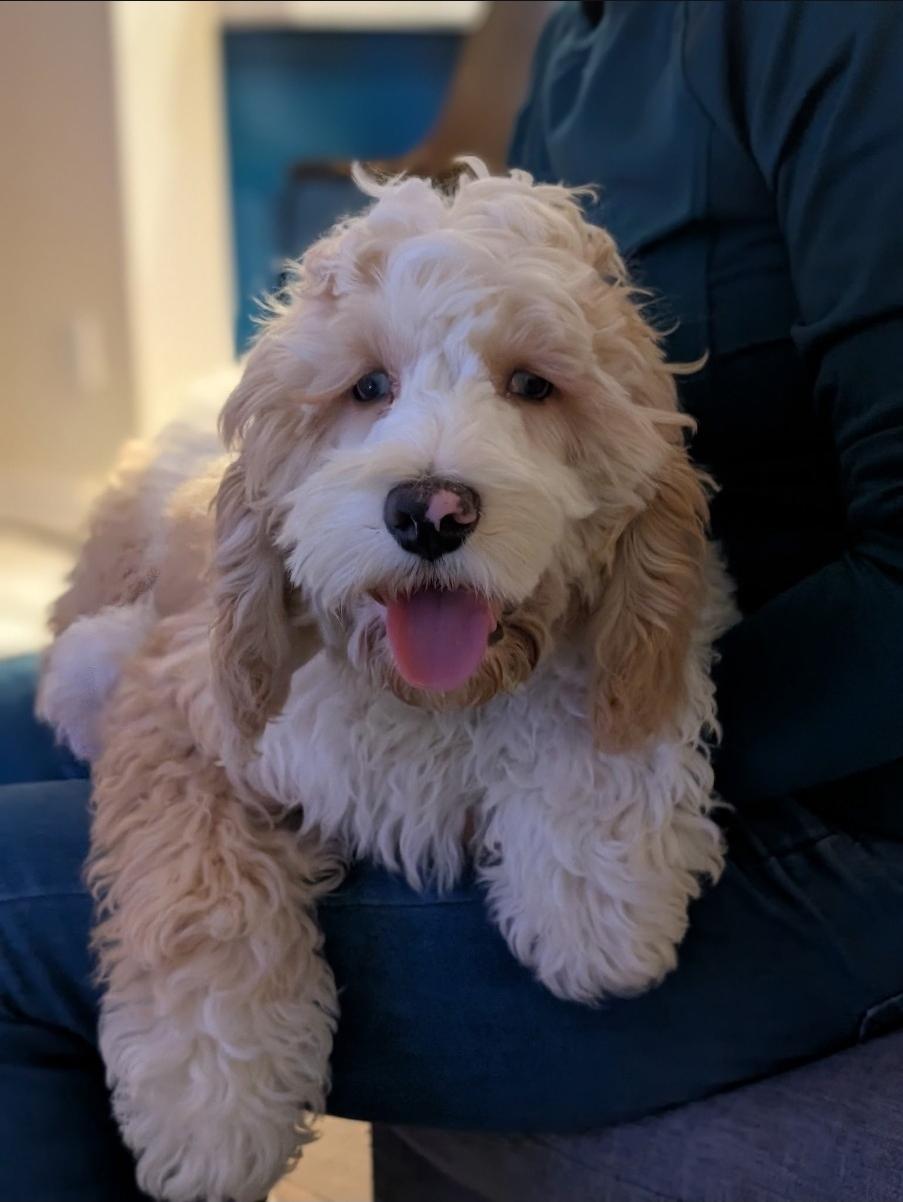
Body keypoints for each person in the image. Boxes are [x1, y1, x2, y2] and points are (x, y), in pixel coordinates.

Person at [2, 1, 903, 1199]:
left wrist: (611, 747)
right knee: (34, 704)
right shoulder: (581, 37)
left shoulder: (834, 31)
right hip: (497, 612)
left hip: (811, 787)